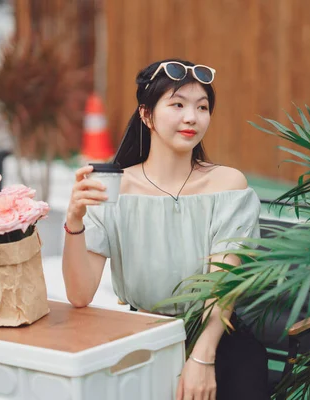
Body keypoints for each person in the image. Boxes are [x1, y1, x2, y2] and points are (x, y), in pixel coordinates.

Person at [62, 59, 270, 400]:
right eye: (177, 104)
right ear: (147, 115)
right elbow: (80, 294)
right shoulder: (115, 188)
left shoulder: (228, 184)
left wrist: (202, 358)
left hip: (216, 338)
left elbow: (223, 287)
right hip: (141, 339)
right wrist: (74, 222)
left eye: (202, 107)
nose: (192, 117)